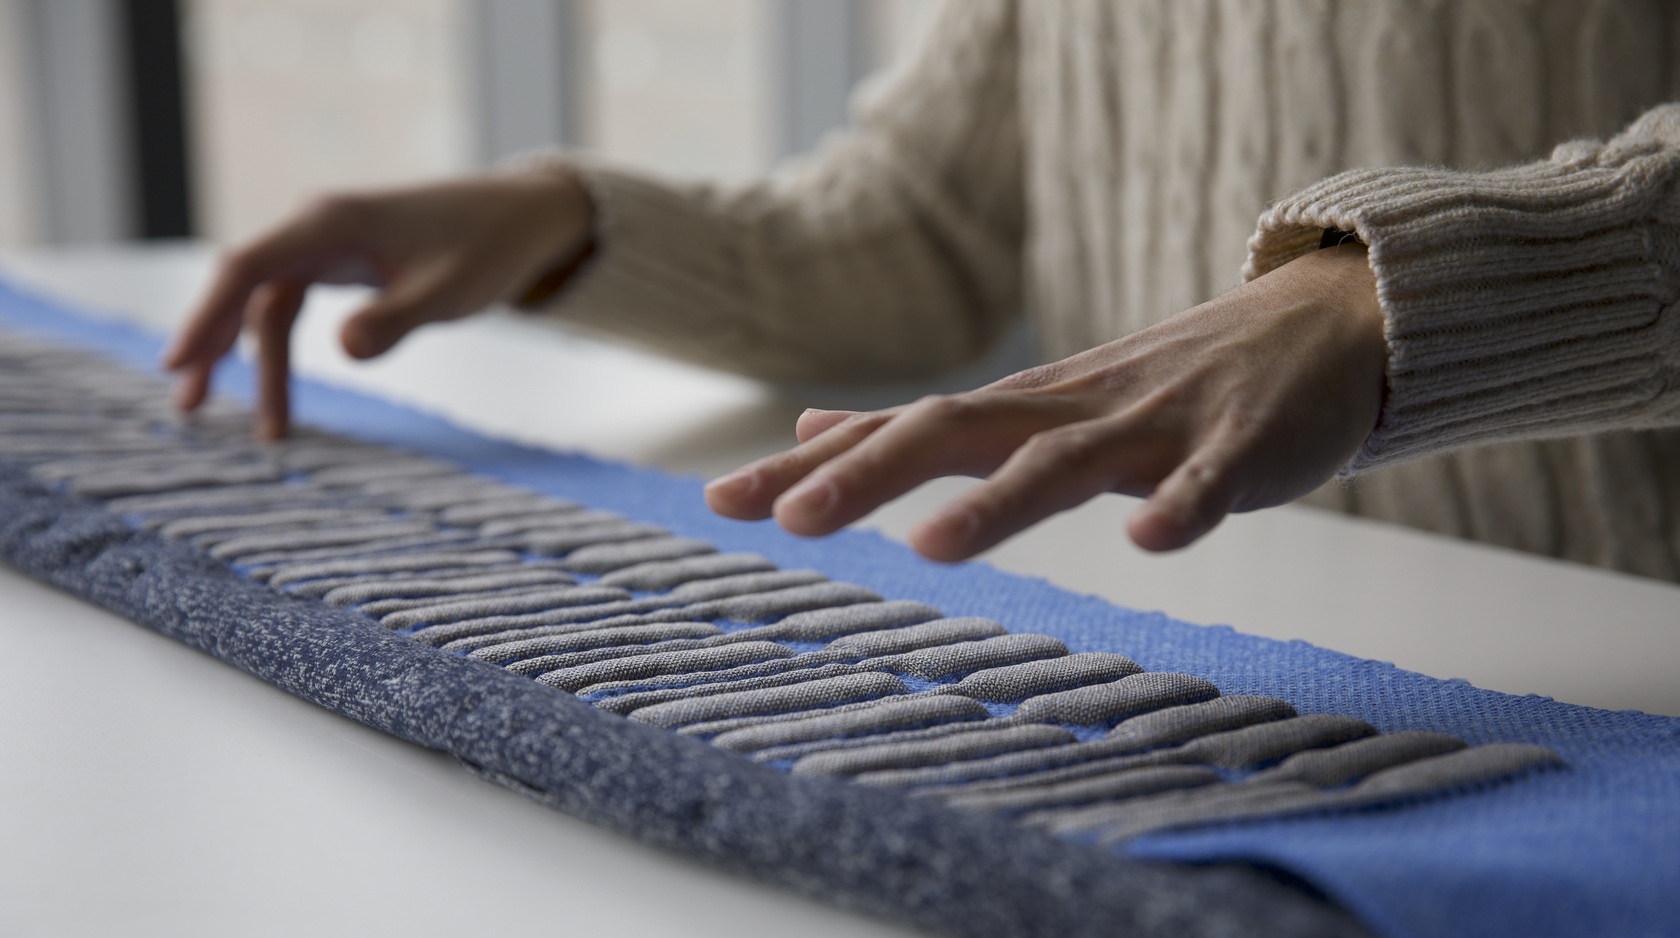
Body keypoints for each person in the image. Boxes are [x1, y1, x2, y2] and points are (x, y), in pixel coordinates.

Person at [164, 0, 1680, 579]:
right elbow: (911, 239)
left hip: (1612, 665)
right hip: (1218, 649)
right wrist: (564, 218)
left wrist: (1373, 302)